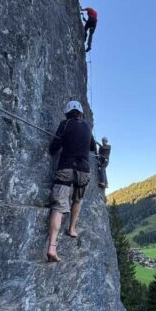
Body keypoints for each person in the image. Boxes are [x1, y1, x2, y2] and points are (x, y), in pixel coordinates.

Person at [46, 100, 97, 262]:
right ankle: (72, 229)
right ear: (81, 113)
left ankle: (52, 246)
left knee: (59, 206)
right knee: (78, 199)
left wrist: (55, 149)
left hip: (66, 167)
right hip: (83, 170)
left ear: (67, 114)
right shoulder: (88, 127)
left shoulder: (65, 124)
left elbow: (55, 146)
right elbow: (92, 148)